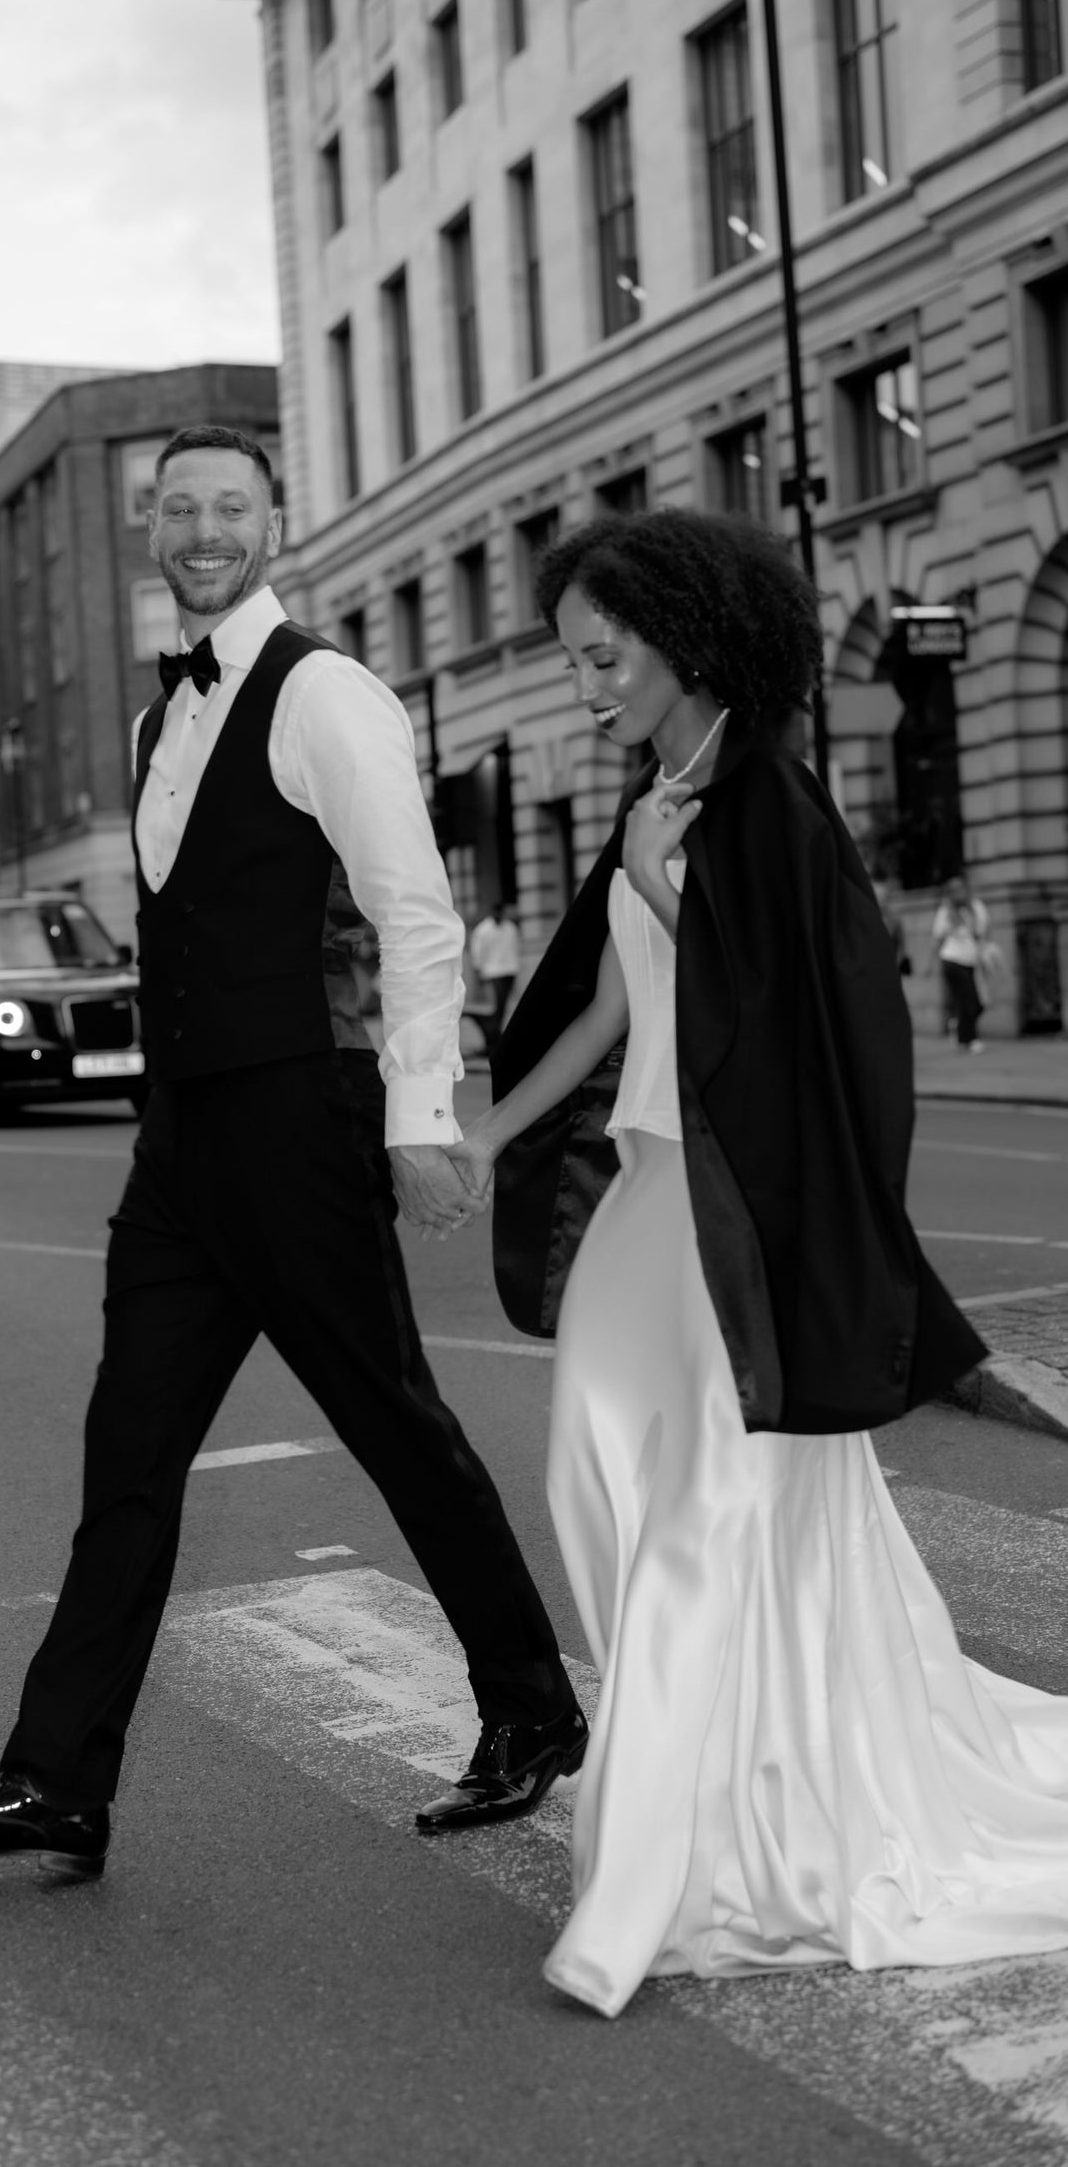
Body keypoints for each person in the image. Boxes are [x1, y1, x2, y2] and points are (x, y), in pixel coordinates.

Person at [0, 426, 585, 1875]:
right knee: (124, 1453)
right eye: (179, 506)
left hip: (297, 1128)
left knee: (396, 1424)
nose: (202, 527)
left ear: (274, 519)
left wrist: (414, 1121)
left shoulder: (326, 691)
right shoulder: (156, 725)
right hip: (182, 1141)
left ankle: (530, 1709)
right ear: (153, 526)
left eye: (229, 505)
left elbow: (416, 918)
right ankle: (55, 1778)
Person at [447, 508, 1068, 2018]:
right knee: (591, 1476)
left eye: (603, 657)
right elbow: (603, 1006)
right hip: (648, 1205)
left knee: (707, 1521)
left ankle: (662, 1864)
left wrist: (674, 892)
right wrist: (482, 1134)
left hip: (740, 1223)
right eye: (574, 660)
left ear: (685, 642)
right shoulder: (655, 789)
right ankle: (703, 1774)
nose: (584, 685)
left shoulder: (770, 802)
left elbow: (822, 1016)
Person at [932, 875, 993, 1050]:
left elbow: (984, 933)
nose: (959, 893)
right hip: (951, 960)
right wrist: (929, 965)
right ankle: (971, 1039)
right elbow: (937, 938)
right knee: (968, 999)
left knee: (978, 1002)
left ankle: (959, 1030)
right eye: (955, 890)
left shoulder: (976, 908)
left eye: (961, 889)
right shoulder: (945, 912)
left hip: (972, 960)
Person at [468, 900, 522, 1048]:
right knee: (495, 1006)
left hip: (509, 970)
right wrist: (479, 973)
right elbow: (477, 953)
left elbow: (515, 948)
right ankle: (494, 1037)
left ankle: (496, 1035)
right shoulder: (483, 930)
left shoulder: (510, 928)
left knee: (503, 1005)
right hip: (492, 972)